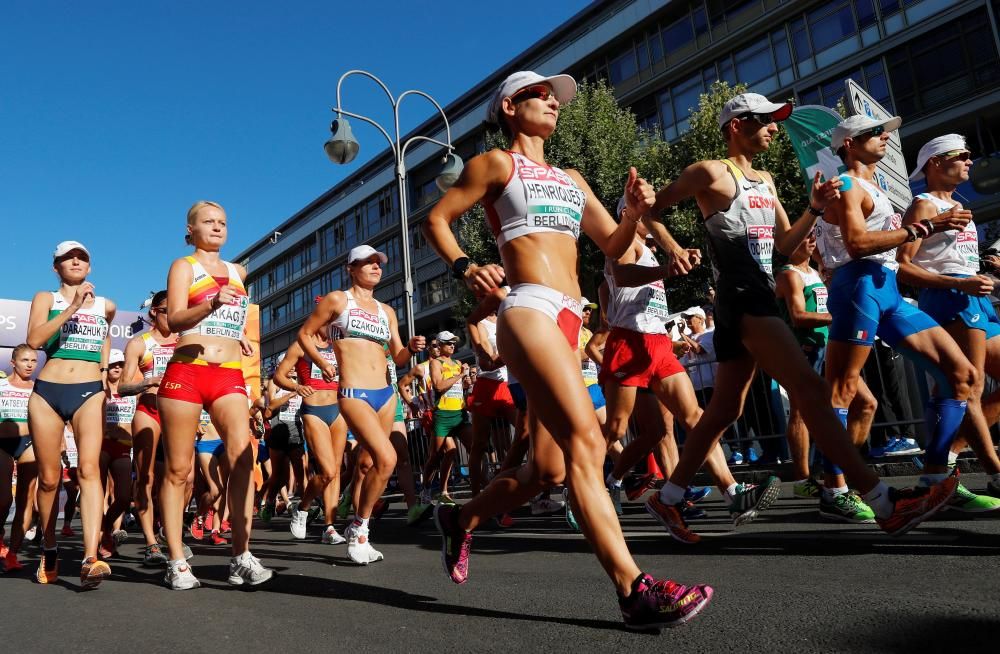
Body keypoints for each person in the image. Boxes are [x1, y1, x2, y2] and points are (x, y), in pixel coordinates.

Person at [424, 69, 711, 630]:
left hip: (572, 322)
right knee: (588, 442)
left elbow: (616, 252)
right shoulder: (496, 164)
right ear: (509, 108)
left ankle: (459, 518)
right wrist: (465, 267)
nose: (553, 103)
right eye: (539, 95)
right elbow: (435, 218)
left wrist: (634, 216)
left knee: (548, 473)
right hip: (527, 306)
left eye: (556, 99)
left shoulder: (573, 178)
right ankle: (634, 590)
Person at [642, 93, 957, 544]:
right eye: (766, 121)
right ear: (736, 125)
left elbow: (785, 249)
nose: (774, 128)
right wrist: (670, 246)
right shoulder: (711, 171)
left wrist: (812, 208)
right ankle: (882, 502)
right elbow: (650, 211)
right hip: (740, 293)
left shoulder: (766, 179)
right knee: (810, 390)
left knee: (725, 408)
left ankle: (668, 498)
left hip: (756, 292)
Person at [815, 115, 983, 512]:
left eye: (885, 131)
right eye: (875, 133)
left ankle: (936, 479)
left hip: (885, 287)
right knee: (842, 390)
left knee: (962, 375)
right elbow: (856, 244)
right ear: (850, 145)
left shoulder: (875, 185)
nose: (885, 137)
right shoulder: (846, 186)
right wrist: (925, 228)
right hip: (858, 284)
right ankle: (834, 489)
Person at [157, 200, 271, 589]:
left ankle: (241, 556)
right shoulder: (183, 266)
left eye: (223, 221)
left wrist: (237, 334)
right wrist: (209, 305)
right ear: (191, 230)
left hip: (228, 376)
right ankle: (175, 559)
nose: (217, 227)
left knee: (243, 455)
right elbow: (174, 319)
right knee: (178, 469)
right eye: (208, 221)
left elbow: (231, 315)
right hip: (187, 371)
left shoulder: (238, 272)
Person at [298, 244, 425, 565]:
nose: (374, 267)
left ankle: (359, 525)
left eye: (378, 263)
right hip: (354, 392)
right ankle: (358, 528)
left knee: (369, 465)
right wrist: (321, 362)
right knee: (388, 457)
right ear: (351, 268)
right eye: (366, 263)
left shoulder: (387, 311)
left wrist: (410, 348)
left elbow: (396, 356)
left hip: (385, 394)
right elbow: (304, 334)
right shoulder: (339, 300)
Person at [897, 133, 1000, 508]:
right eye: (963, 155)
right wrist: (959, 282)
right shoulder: (922, 205)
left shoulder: (958, 204)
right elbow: (903, 268)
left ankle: (950, 453)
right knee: (967, 386)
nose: (970, 161)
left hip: (975, 295)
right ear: (935, 164)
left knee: (963, 388)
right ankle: (993, 471)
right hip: (951, 295)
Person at [26, 240, 116, 588]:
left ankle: (90, 557)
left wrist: (105, 370)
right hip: (48, 392)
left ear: (89, 267)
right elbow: (33, 340)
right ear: (56, 267)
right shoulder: (47, 298)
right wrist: (73, 308)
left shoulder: (107, 305)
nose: (75, 262)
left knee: (89, 469)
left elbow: (105, 336)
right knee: (49, 479)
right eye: (68, 258)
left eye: (82, 258)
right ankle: (49, 548)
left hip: (88, 391)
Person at [775, 235, 878, 521]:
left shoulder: (816, 273)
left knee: (866, 404)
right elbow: (798, 315)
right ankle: (803, 479)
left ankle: (841, 469)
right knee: (801, 410)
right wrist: (839, 316)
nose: (809, 241)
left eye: (812, 237)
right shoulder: (789, 274)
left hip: (830, 347)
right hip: (804, 348)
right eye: (802, 237)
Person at [273, 321, 350, 544]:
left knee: (335, 470)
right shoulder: (301, 346)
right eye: (330, 322)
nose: (334, 326)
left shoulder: (338, 345)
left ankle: (329, 527)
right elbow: (279, 376)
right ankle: (303, 508)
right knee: (326, 470)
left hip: (338, 410)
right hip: (314, 410)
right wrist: (296, 387)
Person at [119, 290, 178, 566]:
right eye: (167, 310)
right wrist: (147, 382)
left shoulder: (185, 340)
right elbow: (123, 386)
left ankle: (169, 526)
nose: (173, 315)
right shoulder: (139, 343)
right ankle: (151, 543)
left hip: (179, 413)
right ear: (154, 311)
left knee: (183, 478)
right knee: (146, 477)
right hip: (149, 411)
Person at [0, 344, 38, 572]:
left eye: (33, 361)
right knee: (4, 499)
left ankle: (13, 554)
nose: (30, 365)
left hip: (29, 444)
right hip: (2, 444)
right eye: (25, 360)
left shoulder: (39, 389)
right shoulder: (1, 385)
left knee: (26, 500)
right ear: (13, 362)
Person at [422, 331, 470, 505]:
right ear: (440, 345)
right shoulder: (436, 363)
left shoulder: (458, 363)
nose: (452, 345)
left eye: (454, 343)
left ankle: (444, 490)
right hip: (443, 415)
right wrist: (460, 376)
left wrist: (466, 383)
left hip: (459, 413)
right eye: (448, 343)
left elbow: (460, 386)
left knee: (464, 449)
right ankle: (425, 488)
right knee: (435, 456)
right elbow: (439, 386)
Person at [99, 348, 136, 557]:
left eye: (120, 364)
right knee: (99, 494)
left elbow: (136, 421)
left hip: (123, 445)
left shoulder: (130, 390)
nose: (117, 368)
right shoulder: (99, 389)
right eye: (113, 364)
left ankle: (106, 528)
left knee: (123, 496)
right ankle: (101, 539)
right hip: (101, 445)